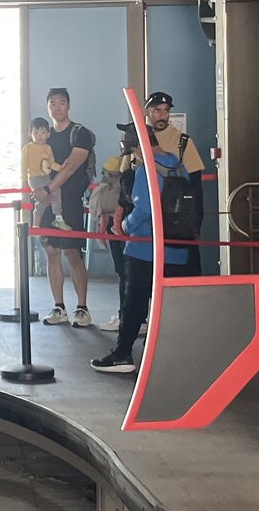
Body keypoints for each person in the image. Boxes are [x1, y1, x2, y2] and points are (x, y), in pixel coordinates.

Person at [91, 122, 194, 374]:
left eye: (133, 151)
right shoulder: (178, 166)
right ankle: (160, 354)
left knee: (134, 303)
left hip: (143, 248)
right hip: (176, 246)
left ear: (139, 147)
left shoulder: (144, 171)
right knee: (165, 304)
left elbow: (145, 209)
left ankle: (122, 354)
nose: (134, 156)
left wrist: (125, 225)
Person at [41, 87, 96, 327]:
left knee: (72, 252)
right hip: (47, 202)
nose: (57, 107)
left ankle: (82, 308)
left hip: (70, 200)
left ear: (69, 105)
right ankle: (58, 307)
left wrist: (49, 189)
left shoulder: (80, 133)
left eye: (61, 102)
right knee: (51, 251)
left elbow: (71, 166)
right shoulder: (43, 135)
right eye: (52, 103)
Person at [142, 91, 207, 274]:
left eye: (166, 111)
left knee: (182, 272)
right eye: (157, 110)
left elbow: (195, 186)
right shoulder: (139, 138)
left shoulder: (183, 142)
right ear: (147, 112)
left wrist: (196, 223)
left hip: (177, 219)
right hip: (144, 219)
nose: (162, 115)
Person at [88, 122, 138, 333]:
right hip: (123, 224)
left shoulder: (133, 165)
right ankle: (128, 315)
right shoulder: (127, 161)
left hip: (127, 224)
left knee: (127, 273)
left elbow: (125, 199)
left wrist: (120, 222)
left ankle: (128, 317)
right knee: (127, 273)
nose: (124, 139)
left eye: (128, 135)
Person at [21, 117, 63, 230]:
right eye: (36, 133)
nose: (39, 136)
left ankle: (36, 226)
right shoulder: (28, 148)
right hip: (34, 178)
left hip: (46, 177)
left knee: (45, 200)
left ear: (48, 134)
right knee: (55, 190)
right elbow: (24, 165)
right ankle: (58, 217)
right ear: (30, 134)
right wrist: (24, 181)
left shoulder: (48, 148)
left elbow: (52, 163)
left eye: (43, 133)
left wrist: (61, 167)